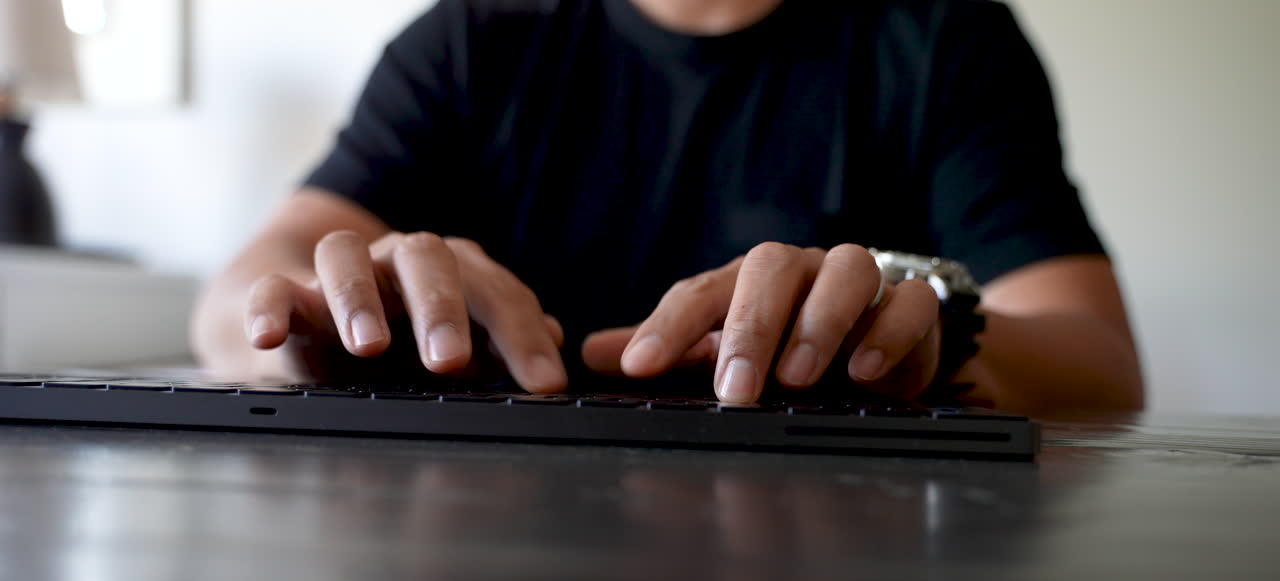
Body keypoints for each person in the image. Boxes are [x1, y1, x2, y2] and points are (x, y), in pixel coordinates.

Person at [191, 0, 1144, 413]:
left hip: (844, 575)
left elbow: (1099, 361)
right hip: (484, 567)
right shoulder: (471, 40)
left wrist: (932, 330)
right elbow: (240, 297)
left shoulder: (943, 42)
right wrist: (315, 323)